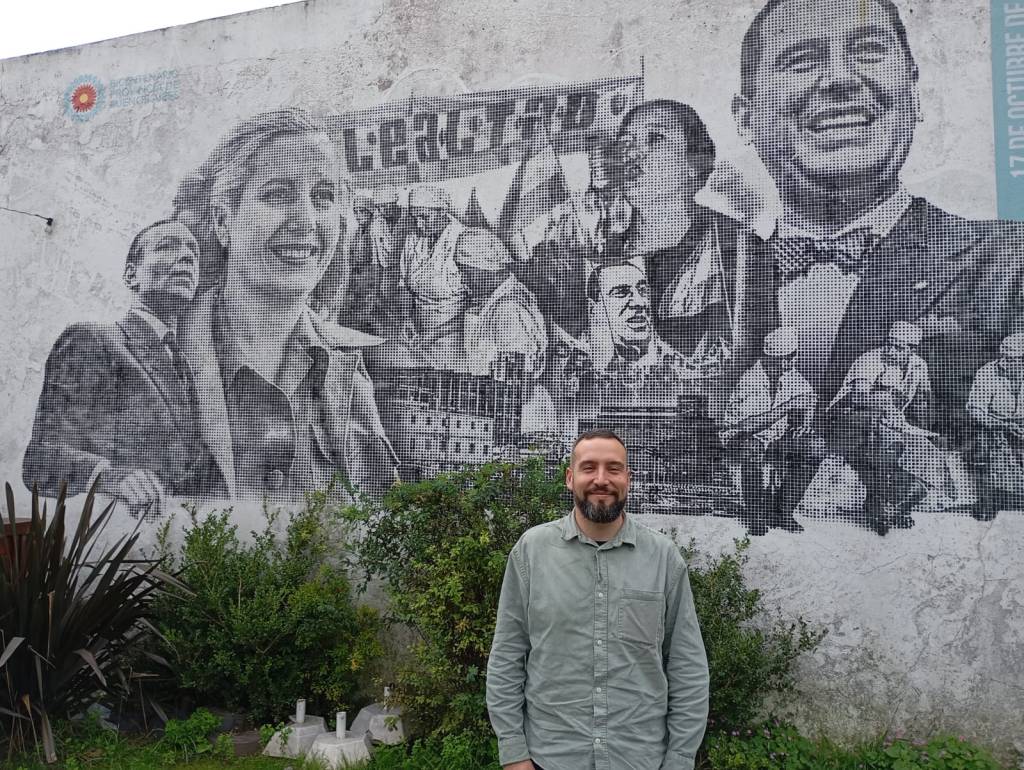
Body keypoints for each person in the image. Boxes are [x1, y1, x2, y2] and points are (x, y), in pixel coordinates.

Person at [729, 0, 1024, 450]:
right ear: (746, 118)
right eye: (801, 61)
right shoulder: (711, 271)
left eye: (868, 51)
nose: (840, 79)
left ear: (914, 93)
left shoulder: (1010, 260)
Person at [172, 108, 398, 501]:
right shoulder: (160, 352)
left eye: (323, 197)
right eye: (277, 194)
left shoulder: (349, 367)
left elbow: (381, 513)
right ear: (223, 220)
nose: (306, 220)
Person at [486, 428, 709, 770]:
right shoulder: (531, 552)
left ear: (628, 479)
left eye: (613, 468)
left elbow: (687, 667)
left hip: (638, 759)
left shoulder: (663, 559)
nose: (601, 479)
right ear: (570, 478)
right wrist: (514, 753)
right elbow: (506, 656)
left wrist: (679, 760)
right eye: (589, 467)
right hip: (552, 758)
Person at [23, 219, 209, 517]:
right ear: (131, 274)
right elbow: (41, 459)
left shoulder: (186, 368)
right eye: (167, 247)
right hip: (111, 533)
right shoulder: (93, 339)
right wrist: (110, 477)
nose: (187, 257)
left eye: (194, 253)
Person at [602, 99, 739, 368]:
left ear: (694, 162)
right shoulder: (603, 253)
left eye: (655, 138)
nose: (631, 153)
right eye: (625, 142)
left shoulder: (733, 245)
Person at [720, 326, 822, 534]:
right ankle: (755, 515)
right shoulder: (752, 379)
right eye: (779, 360)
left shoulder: (790, 373)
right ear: (767, 357)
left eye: (790, 358)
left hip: (774, 437)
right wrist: (788, 406)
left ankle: (783, 512)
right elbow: (748, 426)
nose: (785, 364)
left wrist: (805, 423)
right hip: (740, 437)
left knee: (815, 446)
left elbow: (810, 398)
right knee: (752, 448)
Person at [395, 184, 472, 369]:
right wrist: (407, 318)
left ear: (442, 211)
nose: (419, 224)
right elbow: (404, 284)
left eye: (424, 217)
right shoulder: (413, 239)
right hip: (419, 332)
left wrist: (436, 333)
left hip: (454, 336)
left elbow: (477, 305)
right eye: (415, 218)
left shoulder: (463, 239)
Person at [455, 229, 548, 378]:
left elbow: (514, 381)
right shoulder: (497, 300)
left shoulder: (508, 311)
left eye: (465, 271)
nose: (462, 279)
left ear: (484, 267)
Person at [582, 261, 679, 390]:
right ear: (593, 308)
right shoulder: (578, 362)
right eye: (621, 293)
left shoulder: (676, 364)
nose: (640, 303)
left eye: (643, 291)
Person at [966, 332, 1024, 520]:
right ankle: (987, 499)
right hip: (994, 428)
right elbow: (975, 409)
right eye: (1003, 356)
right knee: (984, 445)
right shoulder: (988, 372)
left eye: (1011, 359)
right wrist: (1003, 425)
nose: (1003, 363)